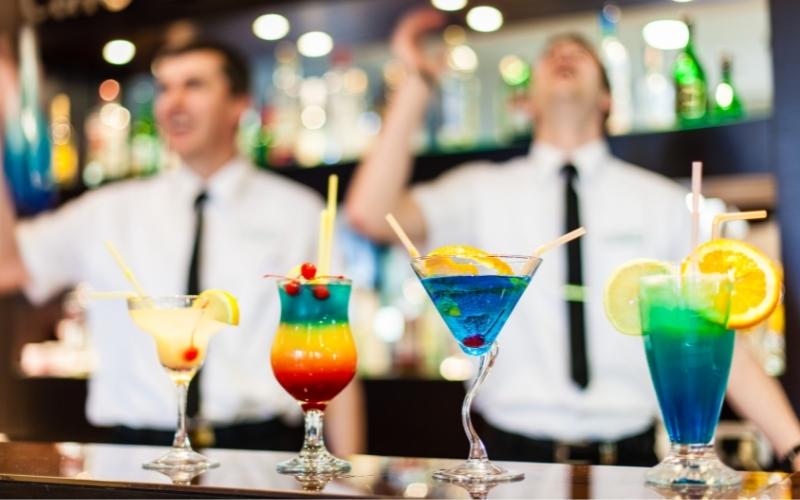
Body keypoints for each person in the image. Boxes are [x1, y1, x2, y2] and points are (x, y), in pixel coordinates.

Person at [346, 9, 800, 468]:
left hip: (631, 460)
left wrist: (794, 445)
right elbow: (368, 213)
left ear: (606, 97)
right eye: (551, 55)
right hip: (511, 458)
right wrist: (418, 82)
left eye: (580, 54)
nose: (564, 53)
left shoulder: (662, 201)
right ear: (525, 101)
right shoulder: (478, 190)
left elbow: (715, 337)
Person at [0, 40, 364, 454]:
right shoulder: (104, 210)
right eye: (163, 88)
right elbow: (8, 268)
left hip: (259, 452)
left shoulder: (299, 213)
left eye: (194, 85)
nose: (173, 103)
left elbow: (332, 349)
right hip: (131, 457)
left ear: (239, 103)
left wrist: (349, 476)